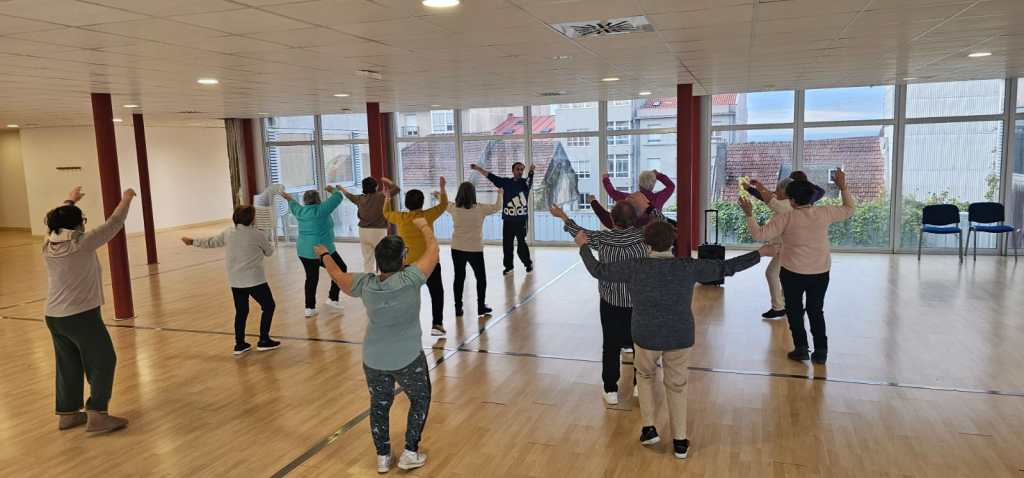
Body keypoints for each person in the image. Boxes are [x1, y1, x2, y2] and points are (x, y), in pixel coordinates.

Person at [576, 221, 763, 459]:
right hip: (680, 335)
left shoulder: (635, 266)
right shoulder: (687, 266)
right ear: (672, 242)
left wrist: (583, 246)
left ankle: (649, 428)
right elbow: (726, 267)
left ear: (646, 242)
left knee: (644, 377)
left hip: (645, 334)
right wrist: (760, 253)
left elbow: (598, 270)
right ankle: (680, 441)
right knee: (677, 386)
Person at [315, 217, 438, 473]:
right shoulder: (411, 278)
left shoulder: (365, 283)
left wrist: (325, 254)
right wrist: (424, 226)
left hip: (373, 359)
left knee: (379, 404)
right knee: (420, 398)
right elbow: (433, 252)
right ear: (403, 258)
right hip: (407, 358)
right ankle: (409, 452)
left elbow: (337, 276)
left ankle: (383, 456)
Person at [42, 186, 135, 433]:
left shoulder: (48, 242)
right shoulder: (82, 244)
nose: (84, 225)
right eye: (82, 221)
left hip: (53, 316)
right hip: (80, 315)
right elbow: (115, 222)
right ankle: (97, 414)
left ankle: (68, 413)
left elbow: (58, 220)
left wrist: (69, 200)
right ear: (77, 226)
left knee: (68, 364)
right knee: (104, 360)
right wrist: (126, 198)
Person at [740, 169, 855, 364]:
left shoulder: (785, 218)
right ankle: (820, 351)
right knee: (816, 310)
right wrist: (843, 187)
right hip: (820, 272)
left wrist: (749, 215)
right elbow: (849, 209)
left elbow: (759, 235)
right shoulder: (824, 212)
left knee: (794, 310)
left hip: (792, 272)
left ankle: (801, 348)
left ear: (792, 200)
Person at [551, 200, 652, 405]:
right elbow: (663, 229)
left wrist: (562, 216)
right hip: (639, 302)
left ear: (612, 219)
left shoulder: (604, 238)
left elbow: (579, 233)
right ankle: (638, 386)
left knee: (611, 345)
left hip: (610, 303)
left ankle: (611, 390)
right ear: (634, 219)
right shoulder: (644, 237)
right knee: (640, 345)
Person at [182, 205, 280, 355]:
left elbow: (212, 242)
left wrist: (193, 242)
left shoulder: (229, 232)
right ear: (251, 218)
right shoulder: (258, 234)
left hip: (235, 280)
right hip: (254, 280)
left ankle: (240, 344)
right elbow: (269, 252)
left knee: (241, 311)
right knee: (269, 306)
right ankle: (264, 340)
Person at [382, 177, 449, 336]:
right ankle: (437, 325)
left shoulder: (400, 217)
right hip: (430, 263)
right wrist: (442, 188)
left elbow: (386, 213)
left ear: (406, 203)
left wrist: (387, 197)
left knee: (408, 296)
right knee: (437, 293)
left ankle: (405, 326)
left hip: (408, 265)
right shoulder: (427, 215)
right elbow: (444, 205)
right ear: (422, 202)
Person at [280, 186, 348, 318]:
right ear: (318, 200)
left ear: (305, 201)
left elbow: (292, 203)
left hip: (304, 250)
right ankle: (333, 299)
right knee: (341, 269)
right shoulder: (322, 209)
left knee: (311, 278)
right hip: (322, 250)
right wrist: (331, 190)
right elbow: (338, 196)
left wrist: (288, 197)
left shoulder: (300, 211)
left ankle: (309, 308)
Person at [447, 181, 502, 318]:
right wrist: (500, 194)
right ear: (473, 194)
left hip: (457, 248)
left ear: (459, 193)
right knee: (481, 278)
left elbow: (444, 204)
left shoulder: (453, 208)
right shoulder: (480, 208)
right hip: (475, 249)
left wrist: (439, 195)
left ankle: (458, 308)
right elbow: (497, 207)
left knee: (459, 278)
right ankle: (481, 306)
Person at [470, 162, 534, 275]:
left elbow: (530, 179)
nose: (519, 171)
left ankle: (528, 263)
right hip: (508, 221)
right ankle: (509, 267)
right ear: (512, 170)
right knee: (507, 245)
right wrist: (478, 168)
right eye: (517, 169)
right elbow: (491, 176)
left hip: (521, 221)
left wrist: (531, 171)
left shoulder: (525, 183)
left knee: (521, 244)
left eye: (521, 170)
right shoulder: (505, 182)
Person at [339, 177, 400, 273]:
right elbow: (397, 189)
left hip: (363, 231)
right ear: (375, 187)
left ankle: (369, 281)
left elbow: (349, 196)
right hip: (378, 231)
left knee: (367, 260)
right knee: (383, 258)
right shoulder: (382, 196)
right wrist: (387, 181)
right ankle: (382, 281)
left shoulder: (360, 198)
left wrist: (342, 189)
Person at [602, 169, 675, 212]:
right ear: (653, 185)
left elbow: (612, 192)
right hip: (655, 235)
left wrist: (606, 179)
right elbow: (671, 186)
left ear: (639, 184)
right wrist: (659, 175)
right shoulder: (658, 199)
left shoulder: (630, 198)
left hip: (634, 236)